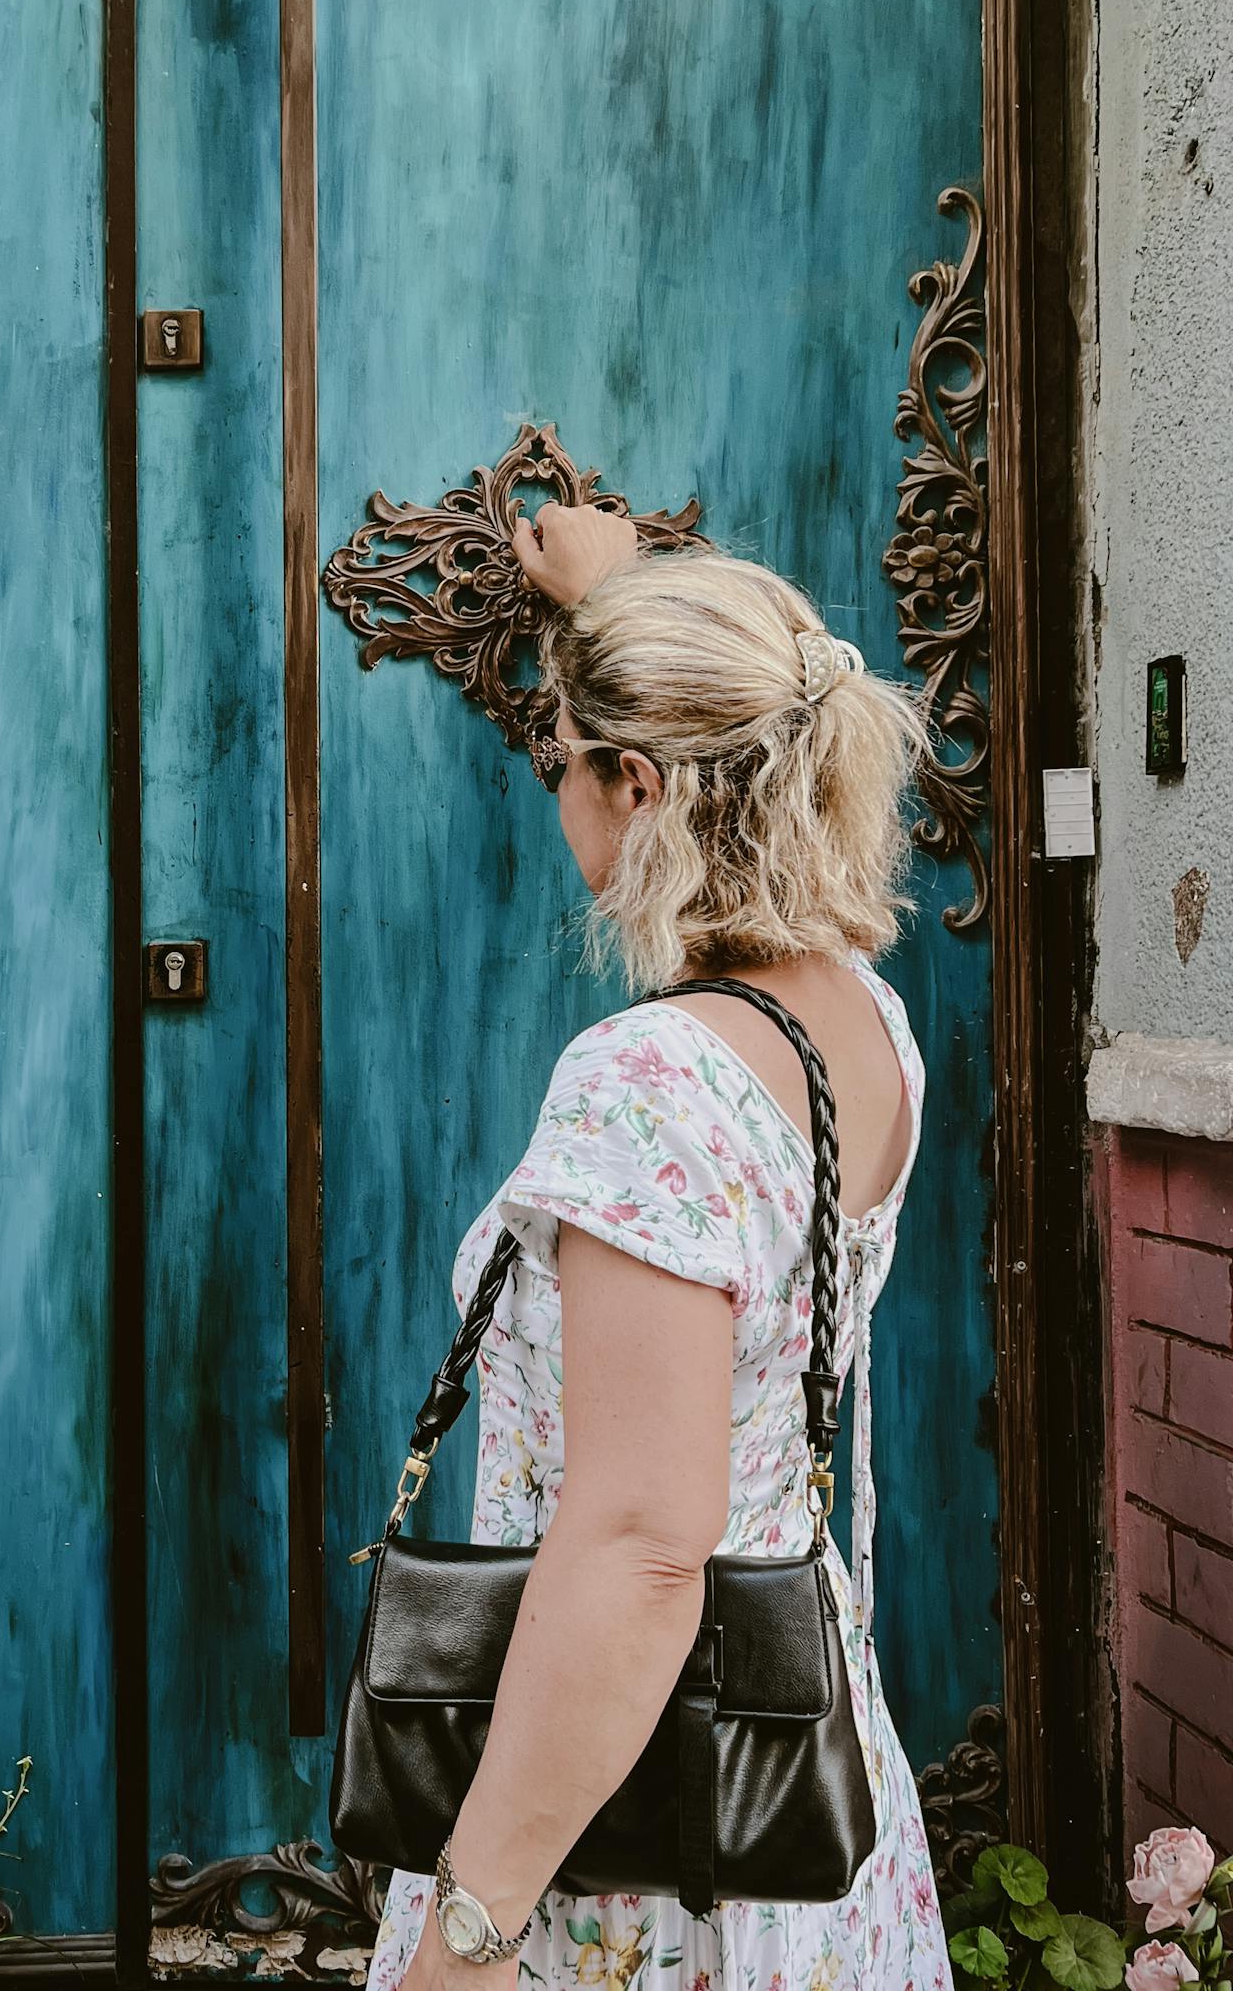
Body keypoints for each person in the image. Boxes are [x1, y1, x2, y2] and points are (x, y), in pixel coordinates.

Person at [368, 503, 950, 1991]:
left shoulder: (655, 1081)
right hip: (793, 1791)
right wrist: (613, 602)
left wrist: (474, 1930)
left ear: (640, 784)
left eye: (564, 762)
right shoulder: (857, 1026)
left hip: (634, 1844)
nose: (555, 791)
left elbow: (636, 1552)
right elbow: (742, 691)